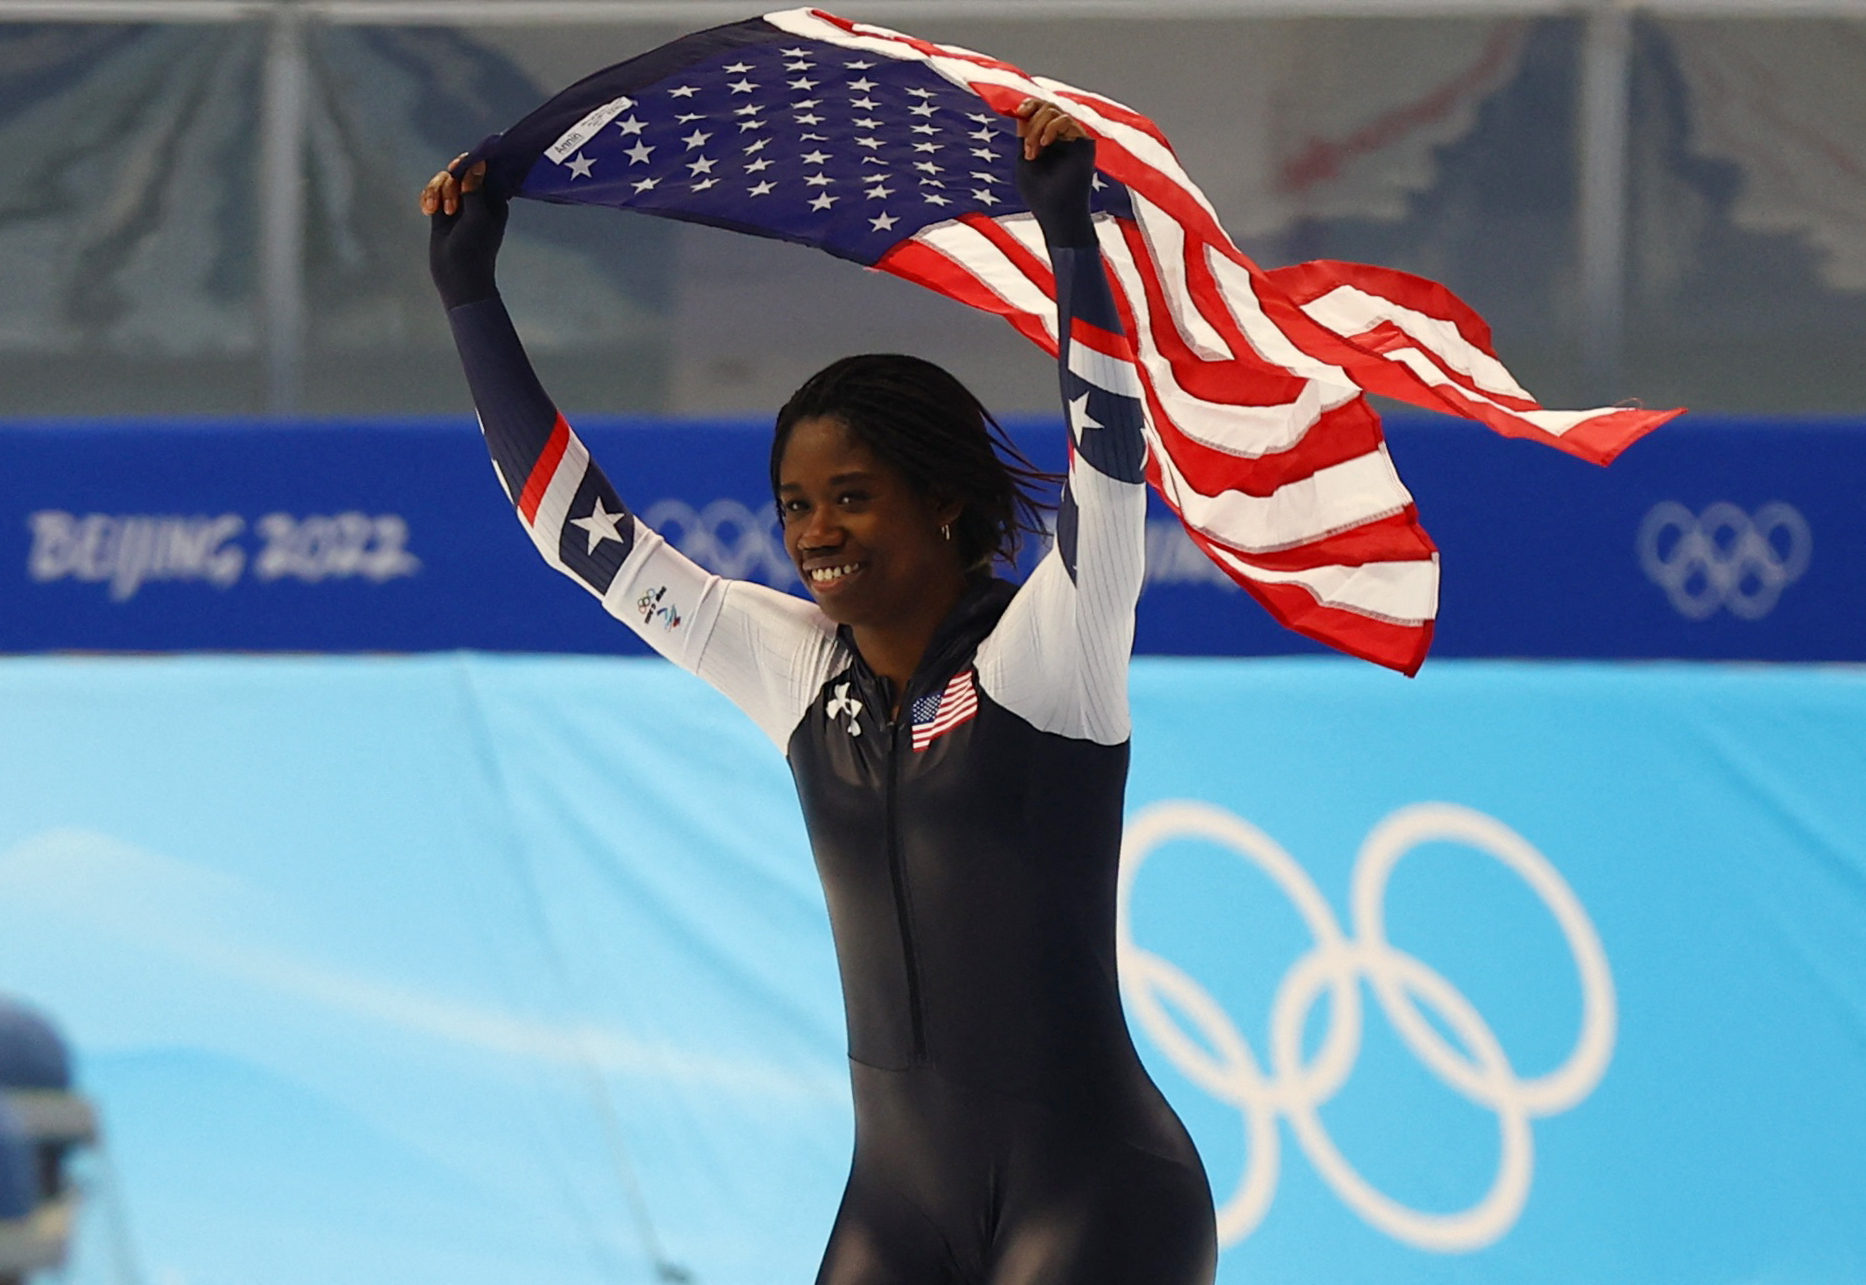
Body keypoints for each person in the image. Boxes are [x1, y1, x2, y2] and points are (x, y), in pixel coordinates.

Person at [424, 98, 1218, 1285]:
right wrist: (471, 296)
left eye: (850, 495)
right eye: (796, 504)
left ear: (942, 500)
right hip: (897, 1207)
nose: (814, 533)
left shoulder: (1045, 653)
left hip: (1095, 1193)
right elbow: (582, 540)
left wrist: (1071, 242)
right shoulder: (798, 672)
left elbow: (1107, 470)